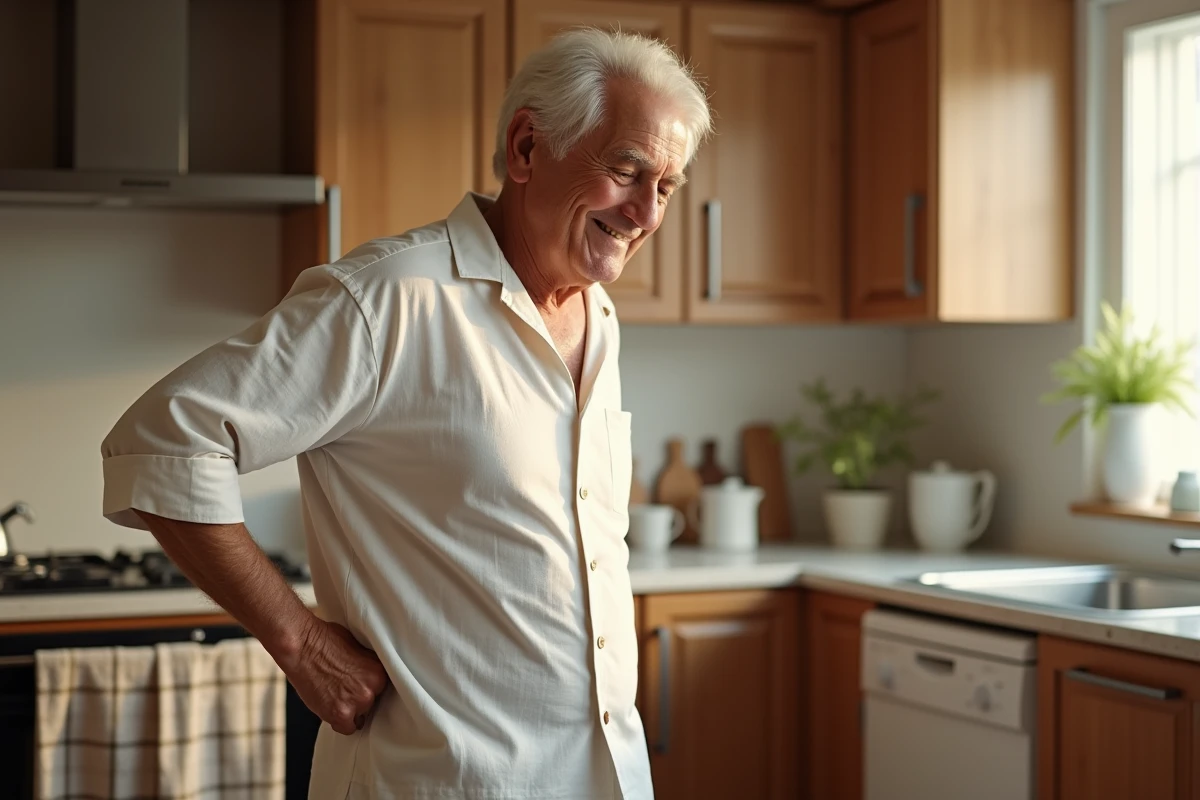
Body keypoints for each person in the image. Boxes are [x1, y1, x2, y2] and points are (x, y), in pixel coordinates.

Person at [101, 27, 711, 800]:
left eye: (667, 187)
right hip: (439, 781)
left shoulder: (599, 315)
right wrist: (299, 643)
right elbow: (163, 441)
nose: (646, 213)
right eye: (627, 171)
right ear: (527, 147)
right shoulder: (389, 299)